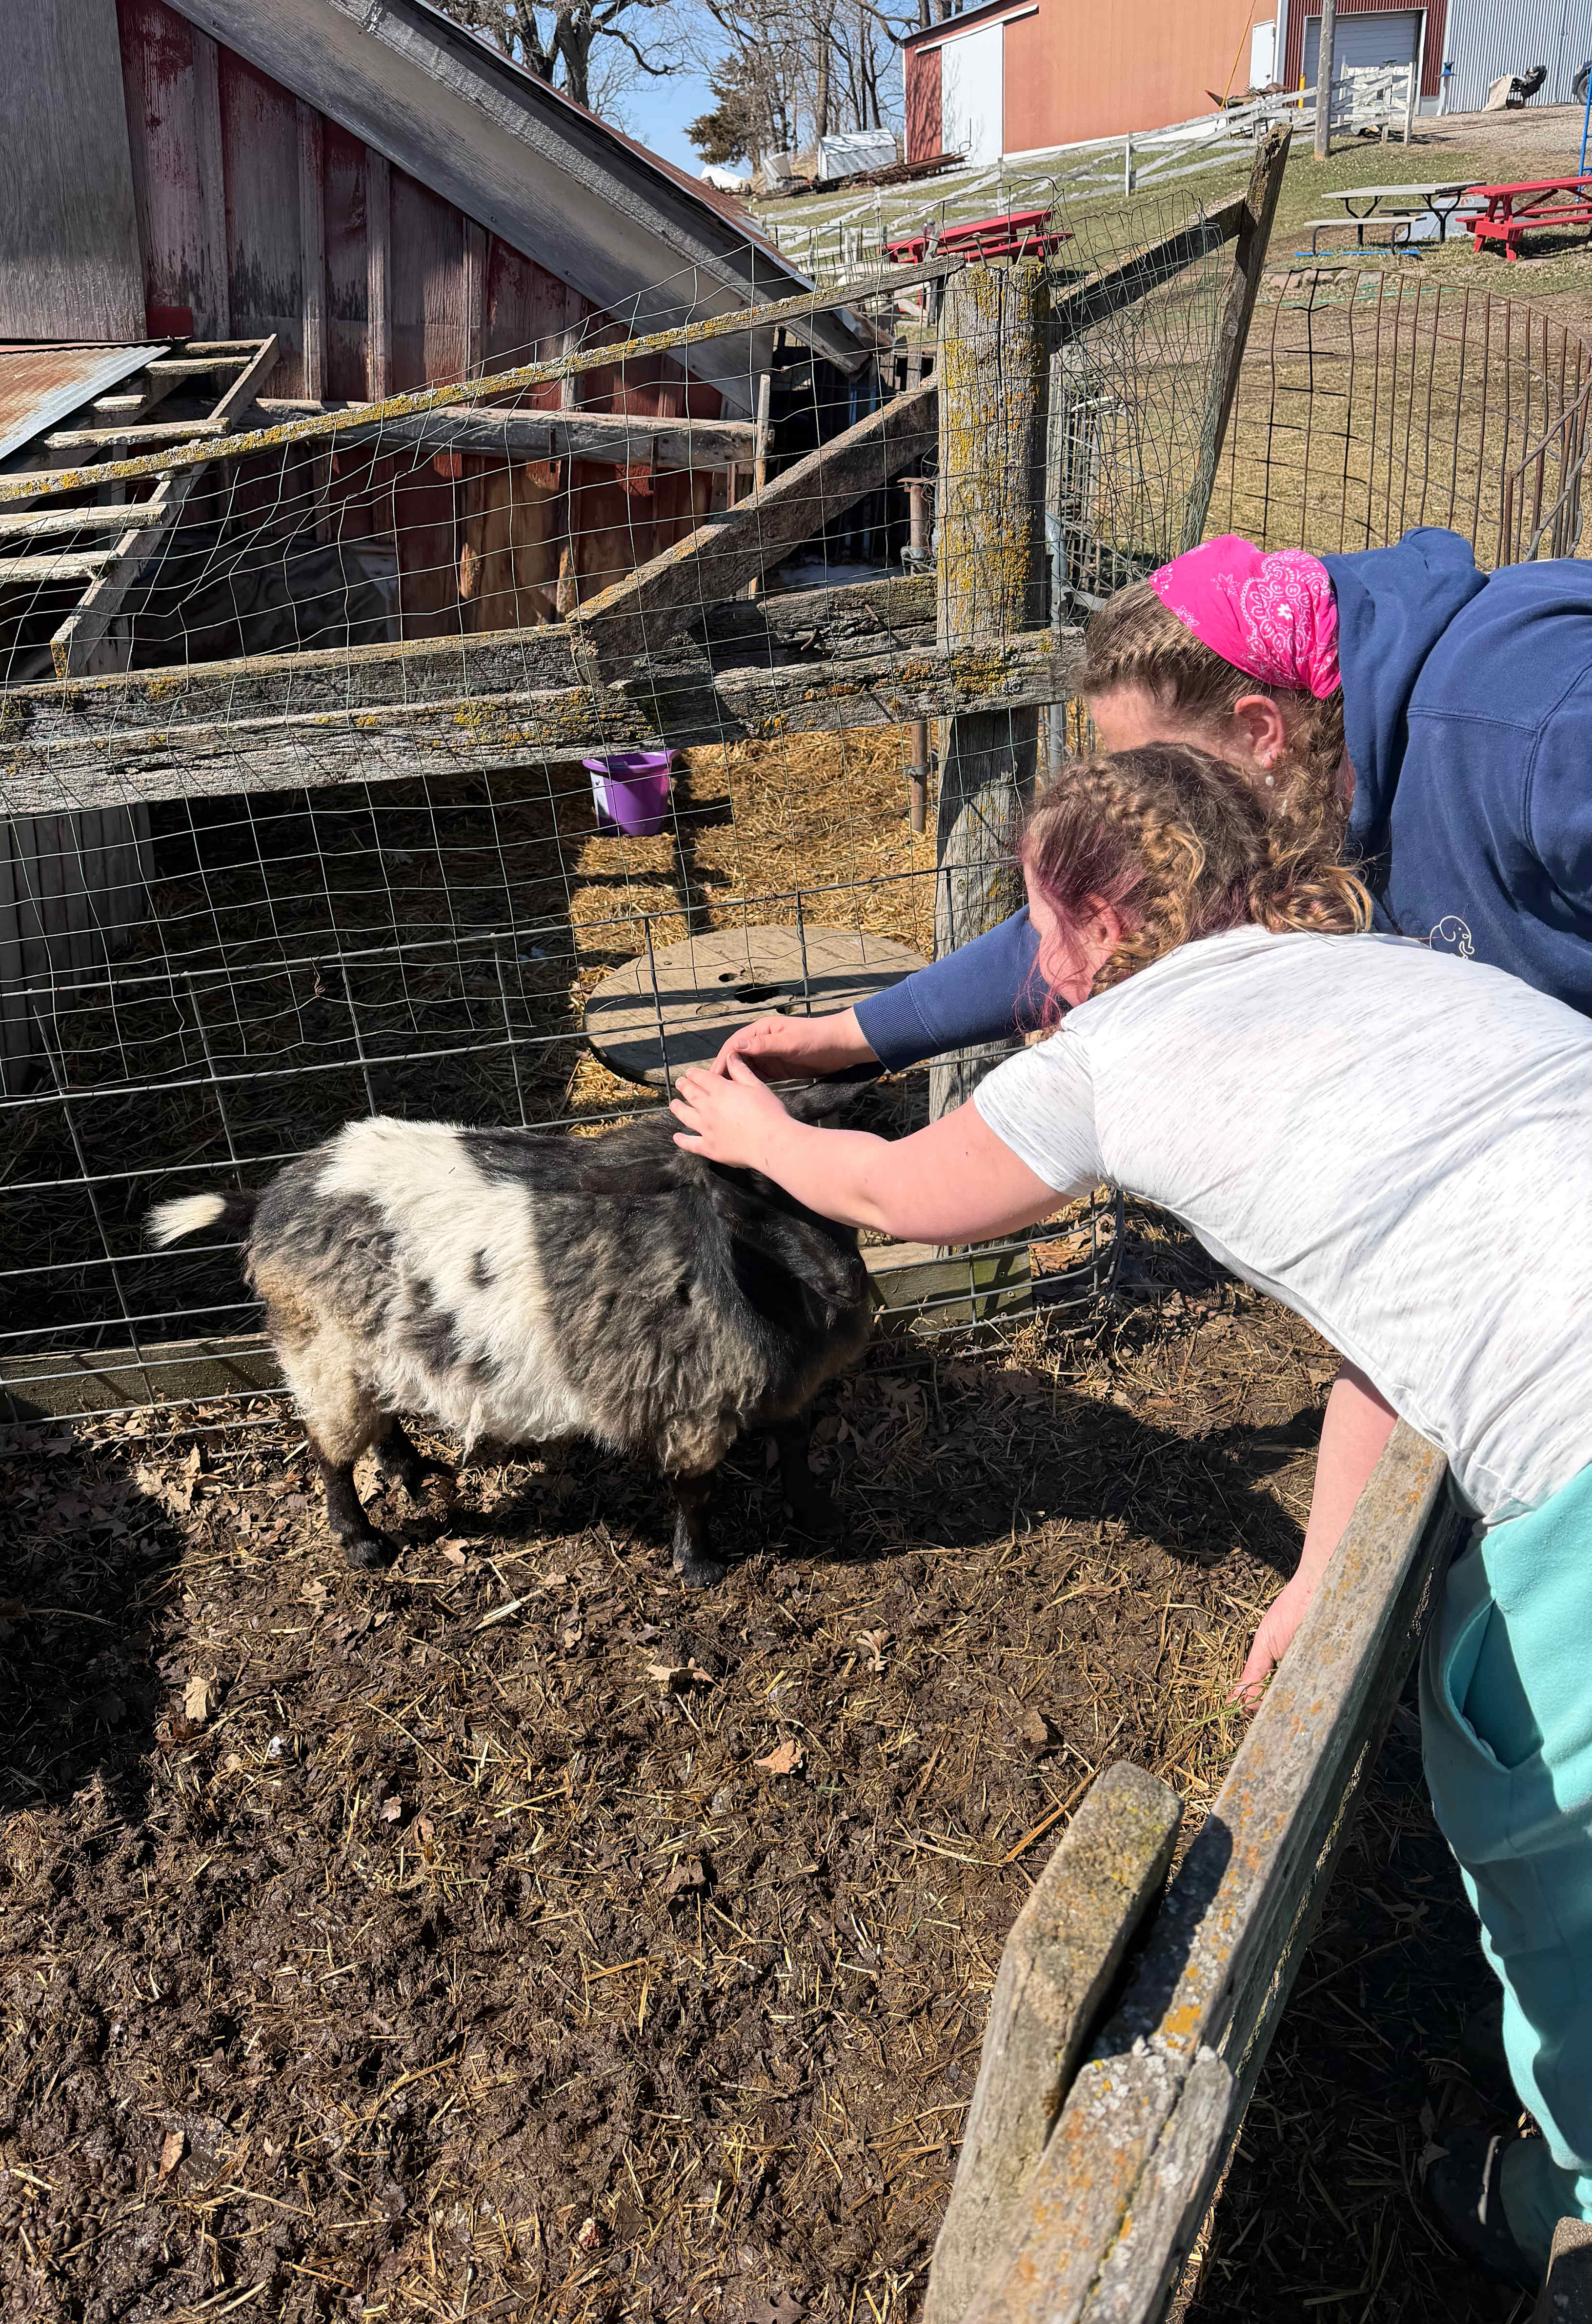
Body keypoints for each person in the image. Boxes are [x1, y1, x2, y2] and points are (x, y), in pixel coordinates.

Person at [672, 742, 1592, 2292]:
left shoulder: (1108, 1053)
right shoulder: (1389, 970)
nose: (1030, 969)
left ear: (1095, 922)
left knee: (1540, 1831)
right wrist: (1327, 1565)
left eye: (1034, 928)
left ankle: (1578, 2199)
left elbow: (899, 1192)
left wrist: (762, 1138)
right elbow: (1384, 1306)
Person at [712, 527, 1592, 1084]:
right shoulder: (1289, 783)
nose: (1151, 810)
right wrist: (849, 1038)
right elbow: (1095, 928)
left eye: (1163, 772)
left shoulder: (1542, 727)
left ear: (1261, 729)